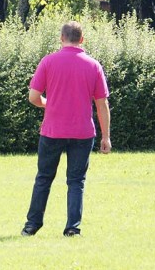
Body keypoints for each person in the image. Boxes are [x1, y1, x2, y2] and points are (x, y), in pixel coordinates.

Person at [22, 21, 112, 237]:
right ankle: (73, 227)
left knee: (44, 177)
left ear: (61, 38)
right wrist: (106, 137)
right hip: (82, 133)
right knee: (76, 181)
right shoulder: (93, 66)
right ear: (82, 39)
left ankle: (32, 225)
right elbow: (102, 104)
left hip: (52, 130)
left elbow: (33, 97)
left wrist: (49, 103)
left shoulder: (48, 62)